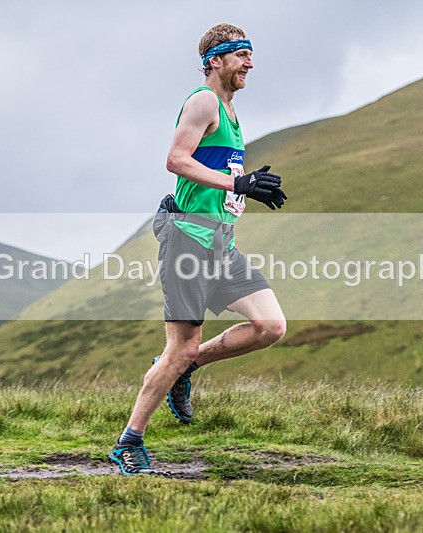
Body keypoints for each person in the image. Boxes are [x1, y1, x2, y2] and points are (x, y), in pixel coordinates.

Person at [109, 23, 288, 475]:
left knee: (270, 326)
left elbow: (217, 174)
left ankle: (188, 368)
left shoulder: (229, 110)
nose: (250, 63)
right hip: (188, 238)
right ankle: (129, 442)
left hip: (221, 243)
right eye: (241, 55)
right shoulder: (204, 100)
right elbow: (176, 160)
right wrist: (237, 182)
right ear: (216, 60)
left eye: (251, 55)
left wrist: (242, 193)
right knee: (177, 348)